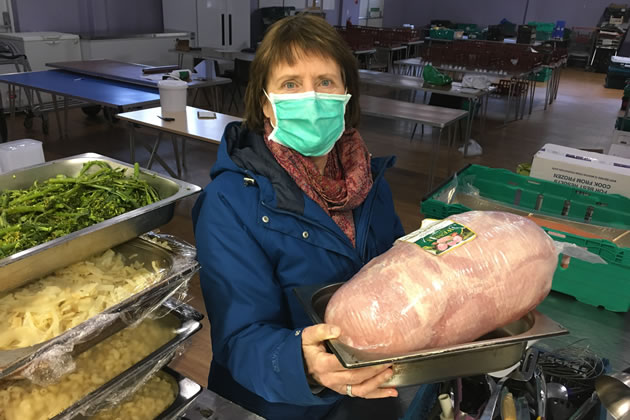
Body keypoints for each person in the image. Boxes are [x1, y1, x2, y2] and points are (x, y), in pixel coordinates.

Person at [192, 14, 417, 420]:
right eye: (291, 84)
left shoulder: (368, 181)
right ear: (266, 104)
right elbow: (239, 338)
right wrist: (302, 364)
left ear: (347, 96)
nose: (310, 97)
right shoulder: (228, 204)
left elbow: (396, 276)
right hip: (283, 406)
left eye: (325, 82)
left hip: (374, 396)